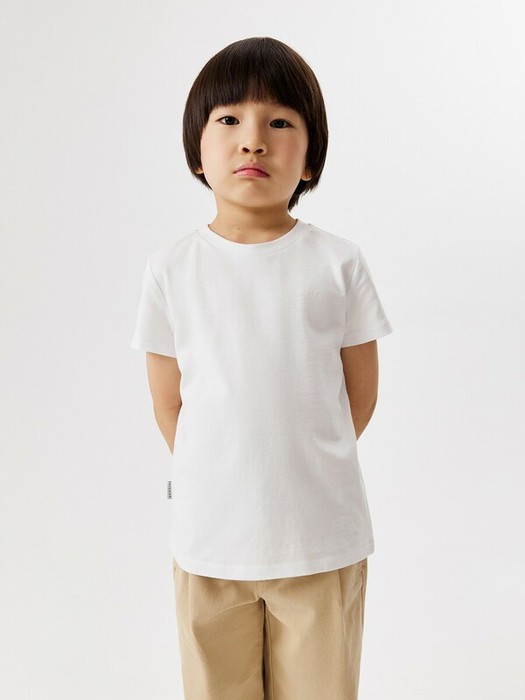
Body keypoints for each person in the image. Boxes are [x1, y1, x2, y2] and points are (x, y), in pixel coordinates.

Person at [131, 36, 393, 700]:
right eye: (229, 120)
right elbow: (169, 404)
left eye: (279, 123)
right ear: (197, 152)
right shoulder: (170, 270)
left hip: (319, 542)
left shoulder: (337, 264)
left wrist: (296, 468)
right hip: (209, 543)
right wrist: (225, 476)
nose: (253, 141)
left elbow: (358, 397)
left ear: (310, 159)